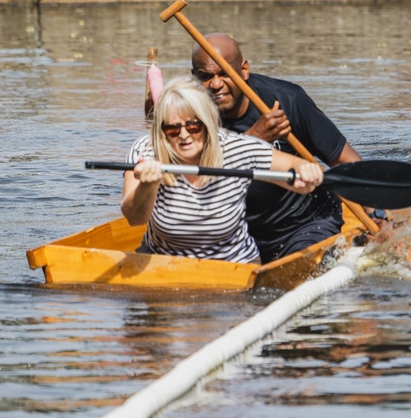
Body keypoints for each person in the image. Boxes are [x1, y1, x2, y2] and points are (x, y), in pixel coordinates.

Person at [191, 33, 366, 262]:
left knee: (303, 269)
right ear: (194, 78)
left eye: (225, 73)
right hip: (236, 233)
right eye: (206, 77)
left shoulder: (287, 99)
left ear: (244, 70)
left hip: (304, 223)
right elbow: (193, 181)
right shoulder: (187, 117)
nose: (215, 84)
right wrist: (255, 138)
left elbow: (346, 162)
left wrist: (379, 214)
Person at [121, 77, 323, 264]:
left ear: (208, 123)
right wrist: (148, 185)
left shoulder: (238, 148)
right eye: (173, 129)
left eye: (193, 126)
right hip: (164, 263)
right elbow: (134, 218)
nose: (184, 135)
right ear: (162, 131)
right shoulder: (146, 150)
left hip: (233, 266)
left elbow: (299, 170)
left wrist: (306, 175)